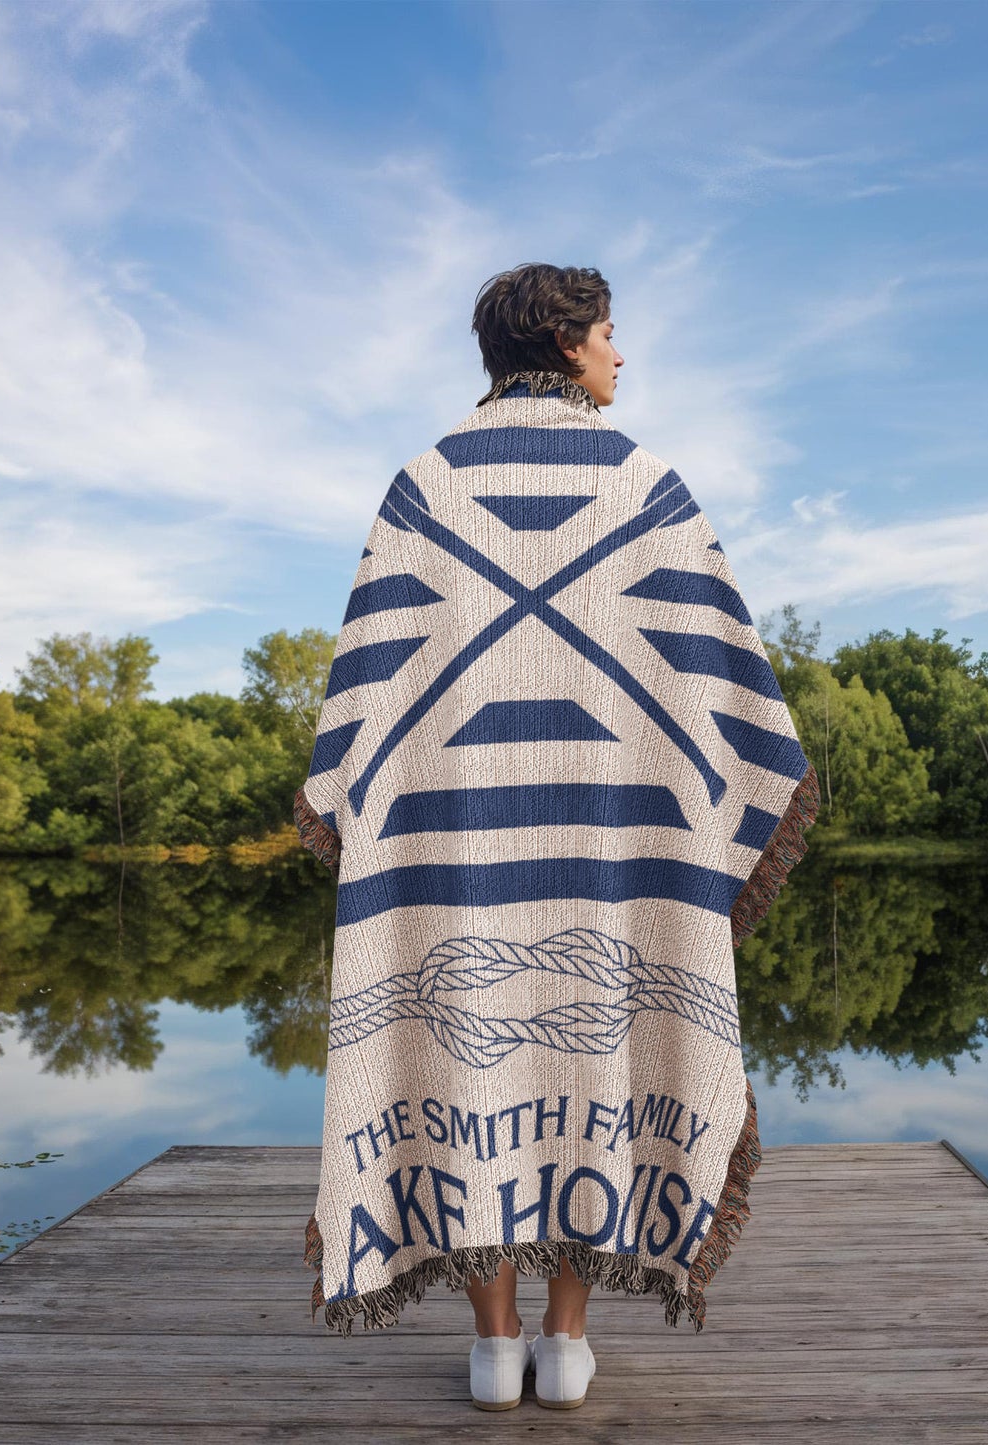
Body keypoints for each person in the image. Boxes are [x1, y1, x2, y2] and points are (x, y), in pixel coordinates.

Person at [295, 262, 819, 1412]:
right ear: (570, 339)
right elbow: (726, 704)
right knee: (595, 1061)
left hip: (454, 857)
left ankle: (493, 1346)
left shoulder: (422, 485)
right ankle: (566, 1339)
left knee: (463, 1052)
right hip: (607, 851)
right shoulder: (646, 485)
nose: (622, 357)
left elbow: (364, 712)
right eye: (612, 335)